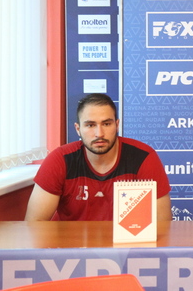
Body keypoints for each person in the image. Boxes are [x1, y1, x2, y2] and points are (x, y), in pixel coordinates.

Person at [25, 93, 172, 221]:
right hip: (70, 244)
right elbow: (34, 223)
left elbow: (163, 223)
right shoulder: (60, 160)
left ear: (117, 125)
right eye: (90, 125)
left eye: (106, 124)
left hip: (126, 243)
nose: (99, 133)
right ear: (78, 129)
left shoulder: (143, 157)